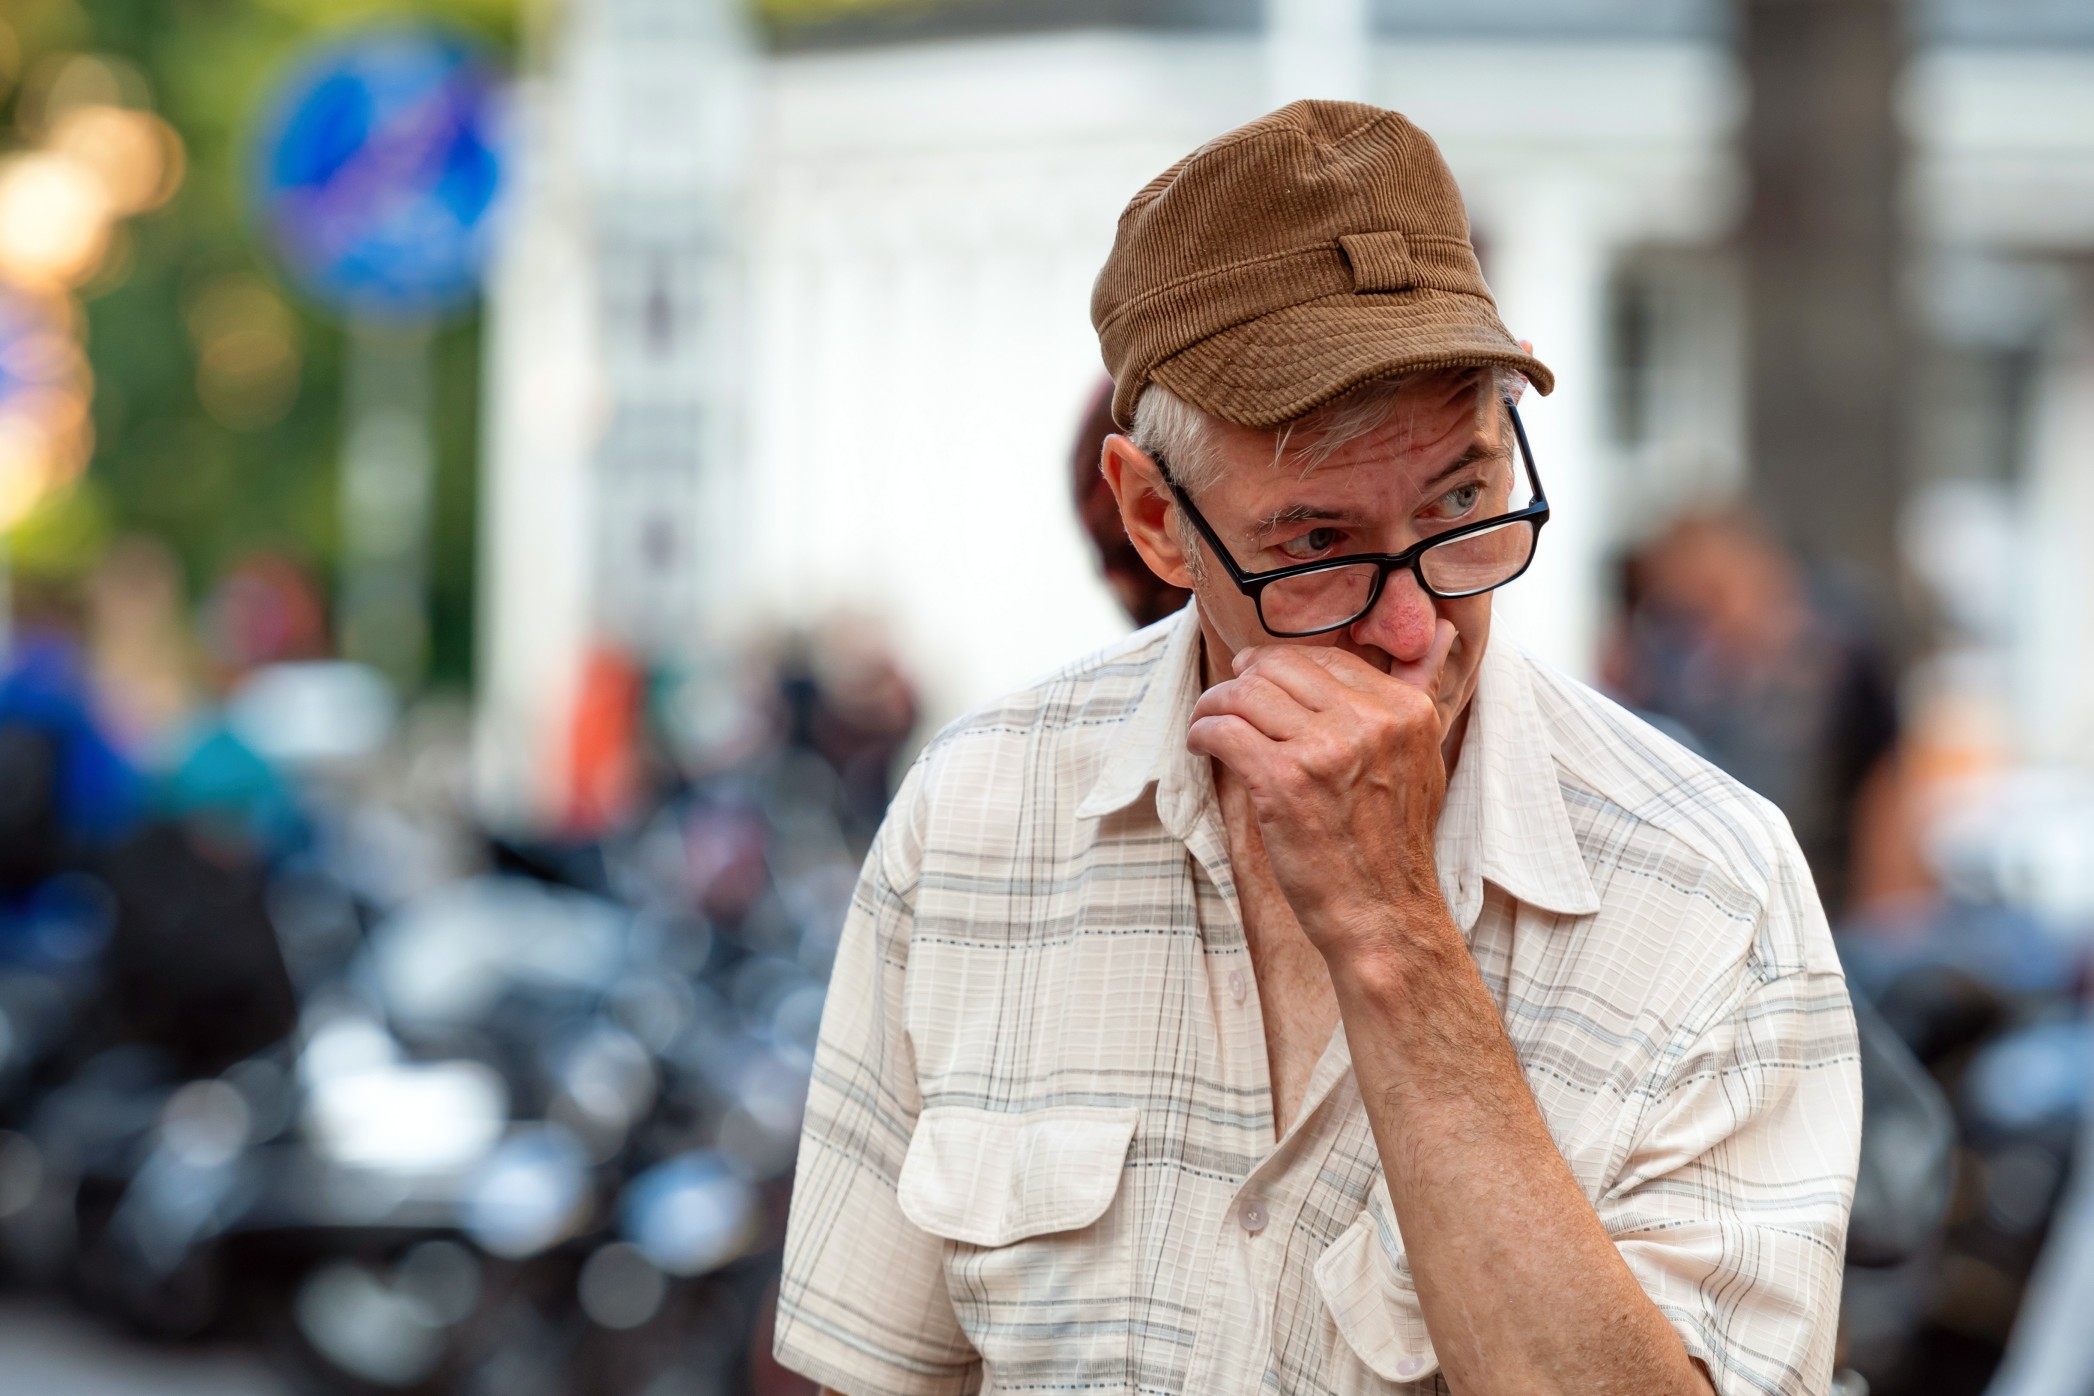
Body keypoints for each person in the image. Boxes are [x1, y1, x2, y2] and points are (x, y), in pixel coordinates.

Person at [775, 101, 1860, 1396]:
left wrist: (1395, 938)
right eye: (1315, 545)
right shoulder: (977, 818)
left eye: (1460, 502)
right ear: (1154, 521)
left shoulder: (1704, 886)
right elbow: (874, 1373)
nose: (1414, 630)